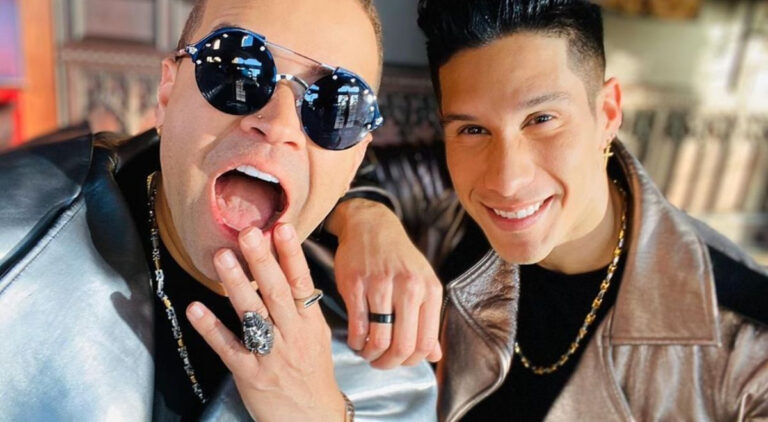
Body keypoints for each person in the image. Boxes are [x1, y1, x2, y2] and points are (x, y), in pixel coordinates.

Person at [0, 0, 440, 420]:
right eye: (236, 70)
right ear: (167, 93)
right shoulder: (15, 244)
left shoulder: (389, 380)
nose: (278, 124)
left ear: (355, 163)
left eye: (335, 106)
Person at [362, 0, 768, 420]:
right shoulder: (443, 203)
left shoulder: (747, 345)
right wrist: (366, 219)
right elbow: (342, 167)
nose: (507, 180)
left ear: (607, 113)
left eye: (541, 119)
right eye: (473, 129)